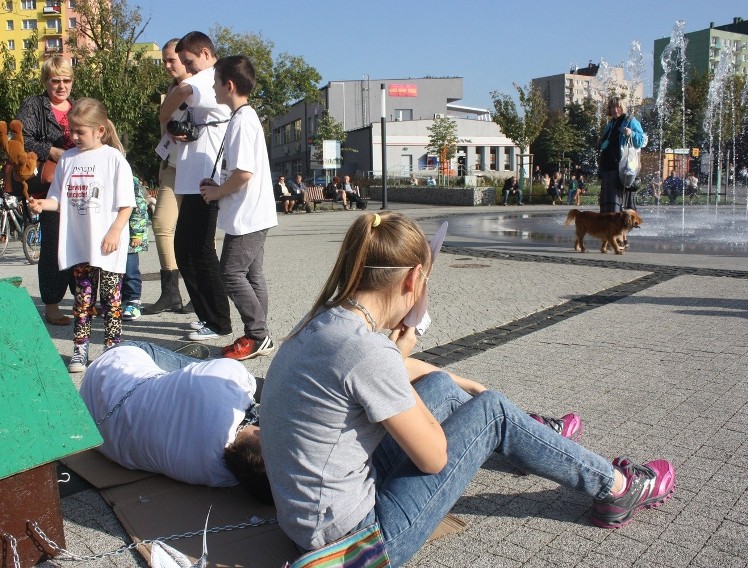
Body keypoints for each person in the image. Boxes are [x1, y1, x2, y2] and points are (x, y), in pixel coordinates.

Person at [261, 212, 675, 566]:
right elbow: (434, 458)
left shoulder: (325, 324)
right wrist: (403, 361)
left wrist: (412, 361)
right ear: (413, 279)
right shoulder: (367, 351)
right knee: (492, 412)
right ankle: (616, 488)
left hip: (311, 518)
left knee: (440, 384)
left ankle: (530, 441)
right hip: (353, 546)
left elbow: (377, 374)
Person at [79, 340, 271, 503]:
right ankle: (180, 377)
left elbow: (230, 379)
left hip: (108, 369)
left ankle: (183, 366)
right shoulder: (219, 477)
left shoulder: (228, 378)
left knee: (212, 375)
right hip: (94, 425)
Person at [28, 98, 135, 373]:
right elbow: (58, 199)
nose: (73, 136)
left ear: (100, 130)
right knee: (82, 299)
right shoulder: (68, 158)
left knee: (111, 300)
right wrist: (42, 204)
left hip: (108, 245)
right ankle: (80, 350)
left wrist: (114, 231)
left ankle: (112, 350)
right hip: (80, 244)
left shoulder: (114, 159)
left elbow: (127, 204)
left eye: (80, 131)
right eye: (72, 130)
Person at [200, 55, 277, 361]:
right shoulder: (244, 117)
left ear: (228, 85)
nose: (214, 88)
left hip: (248, 215)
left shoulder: (243, 121)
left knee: (230, 273)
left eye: (216, 83)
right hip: (254, 212)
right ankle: (259, 335)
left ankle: (258, 335)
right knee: (252, 274)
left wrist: (218, 190)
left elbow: (244, 174)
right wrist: (218, 182)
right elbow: (239, 169)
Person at [160, 31, 233, 342]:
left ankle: (218, 322)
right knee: (187, 248)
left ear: (205, 53)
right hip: (194, 178)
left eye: (187, 60)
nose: (186, 67)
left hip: (207, 177)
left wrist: (164, 117)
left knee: (199, 250)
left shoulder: (208, 76)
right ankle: (208, 316)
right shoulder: (205, 77)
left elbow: (181, 91)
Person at [15, 56, 77, 326]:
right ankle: (52, 304)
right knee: (53, 245)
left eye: (66, 80)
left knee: (81, 243)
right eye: (55, 81)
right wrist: (50, 151)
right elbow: (19, 139)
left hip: (80, 184)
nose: (61, 86)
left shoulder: (80, 105)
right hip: (50, 185)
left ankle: (82, 299)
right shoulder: (33, 105)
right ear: (45, 81)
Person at [146, 39, 190, 316]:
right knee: (161, 224)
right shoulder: (171, 90)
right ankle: (170, 293)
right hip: (171, 165)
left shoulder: (202, 87)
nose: (166, 65)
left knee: (197, 235)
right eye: (164, 60)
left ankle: (200, 293)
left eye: (171, 59)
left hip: (197, 168)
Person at [598, 96, 646, 214]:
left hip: (622, 169)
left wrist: (632, 133)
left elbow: (643, 140)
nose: (615, 110)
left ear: (622, 107)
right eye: (612, 107)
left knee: (618, 205)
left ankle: (620, 230)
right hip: (608, 168)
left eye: (618, 107)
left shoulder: (630, 121)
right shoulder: (610, 124)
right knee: (608, 206)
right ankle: (609, 229)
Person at [122, 176, 150, 322]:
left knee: (130, 271)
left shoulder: (130, 180)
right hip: (108, 235)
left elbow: (139, 207)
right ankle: (116, 301)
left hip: (129, 235)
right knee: (113, 273)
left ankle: (133, 301)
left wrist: (137, 233)